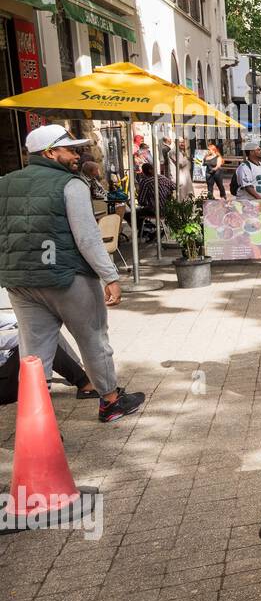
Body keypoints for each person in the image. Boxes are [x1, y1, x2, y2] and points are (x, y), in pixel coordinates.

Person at [0, 125, 146, 423]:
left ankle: (36, 423)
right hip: (66, 276)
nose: (77, 154)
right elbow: (88, 237)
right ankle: (110, 401)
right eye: (70, 149)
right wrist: (111, 276)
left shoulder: (6, 183)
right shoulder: (71, 184)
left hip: (21, 281)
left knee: (34, 351)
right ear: (50, 153)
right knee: (92, 338)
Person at [1, 308, 98, 405]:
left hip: (6, 368)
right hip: (4, 385)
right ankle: (84, 383)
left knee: (45, 331)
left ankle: (80, 373)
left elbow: (10, 321)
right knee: (42, 342)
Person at [236, 140, 261, 258]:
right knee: (250, 226)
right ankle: (250, 249)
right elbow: (247, 186)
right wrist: (259, 199)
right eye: (258, 150)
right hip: (251, 203)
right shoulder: (244, 167)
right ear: (252, 152)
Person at [134, 161, 176, 242]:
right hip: (168, 209)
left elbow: (141, 201)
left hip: (156, 210)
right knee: (141, 212)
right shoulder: (163, 177)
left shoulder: (145, 182)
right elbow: (174, 187)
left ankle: (149, 230)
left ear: (144, 172)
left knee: (134, 213)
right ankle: (152, 229)